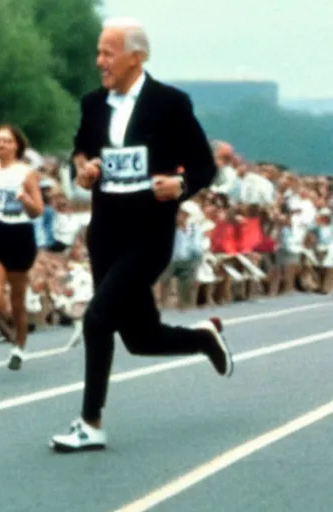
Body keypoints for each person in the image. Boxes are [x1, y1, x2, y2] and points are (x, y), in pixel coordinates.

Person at [50, 17, 233, 452]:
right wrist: (84, 169)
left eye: (107, 53)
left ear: (137, 56)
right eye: (98, 52)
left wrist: (181, 186)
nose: (99, 62)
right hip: (106, 231)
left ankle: (90, 422)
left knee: (97, 319)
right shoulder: (94, 104)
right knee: (139, 338)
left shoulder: (169, 103)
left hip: (149, 231)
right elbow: (82, 150)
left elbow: (204, 164)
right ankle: (203, 338)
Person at [0, 124, 43, 370]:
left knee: (17, 299)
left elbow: (37, 210)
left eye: (6, 141)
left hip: (20, 234)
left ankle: (19, 343)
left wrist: (25, 199)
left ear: (16, 145)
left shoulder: (25, 172)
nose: (1, 145)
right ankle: (11, 333)